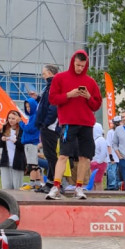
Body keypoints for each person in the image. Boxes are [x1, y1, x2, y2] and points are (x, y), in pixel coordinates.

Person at [47, 50, 101, 200]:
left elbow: (96, 104)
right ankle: (56, 186)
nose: (80, 68)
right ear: (73, 62)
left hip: (86, 124)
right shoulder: (60, 78)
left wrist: (89, 97)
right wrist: (68, 95)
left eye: (83, 66)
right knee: (63, 155)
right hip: (69, 123)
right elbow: (52, 99)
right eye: (77, 65)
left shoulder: (91, 82)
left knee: (85, 157)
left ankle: (79, 187)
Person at [34, 64, 59, 193]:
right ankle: (50, 182)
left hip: (50, 126)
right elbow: (46, 104)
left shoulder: (54, 85)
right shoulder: (49, 87)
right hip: (47, 125)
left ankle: (53, 182)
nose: (43, 76)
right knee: (49, 155)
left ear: (49, 73)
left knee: (51, 155)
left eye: (44, 74)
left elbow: (54, 106)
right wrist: (38, 98)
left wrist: (45, 123)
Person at [0, 110, 27, 190]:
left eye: (13, 118)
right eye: (9, 118)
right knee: (6, 187)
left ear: (18, 119)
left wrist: (16, 141)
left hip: (18, 162)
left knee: (17, 187)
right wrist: (2, 140)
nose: (10, 120)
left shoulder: (22, 130)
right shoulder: (3, 128)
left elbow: (24, 146)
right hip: (5, 162)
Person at [20, 92, 42, 189]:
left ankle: (32, 183)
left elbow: (30, 129)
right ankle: (37, 182)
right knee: (35, 163)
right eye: (27, 107)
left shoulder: (34, 117)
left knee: (32, 164)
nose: (28, 109)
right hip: (32, 142)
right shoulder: (33, 116)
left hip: (31, 142)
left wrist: (20, 123)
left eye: (29, 107)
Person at [89, 122, 108, 191]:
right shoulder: (94, 139)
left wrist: (99, 161)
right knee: (93, 181)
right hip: (94, 162)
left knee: (98, 181)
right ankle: (94, 194)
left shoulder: (101, 139)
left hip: (99, 163)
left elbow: (104, 152)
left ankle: (99, 194)